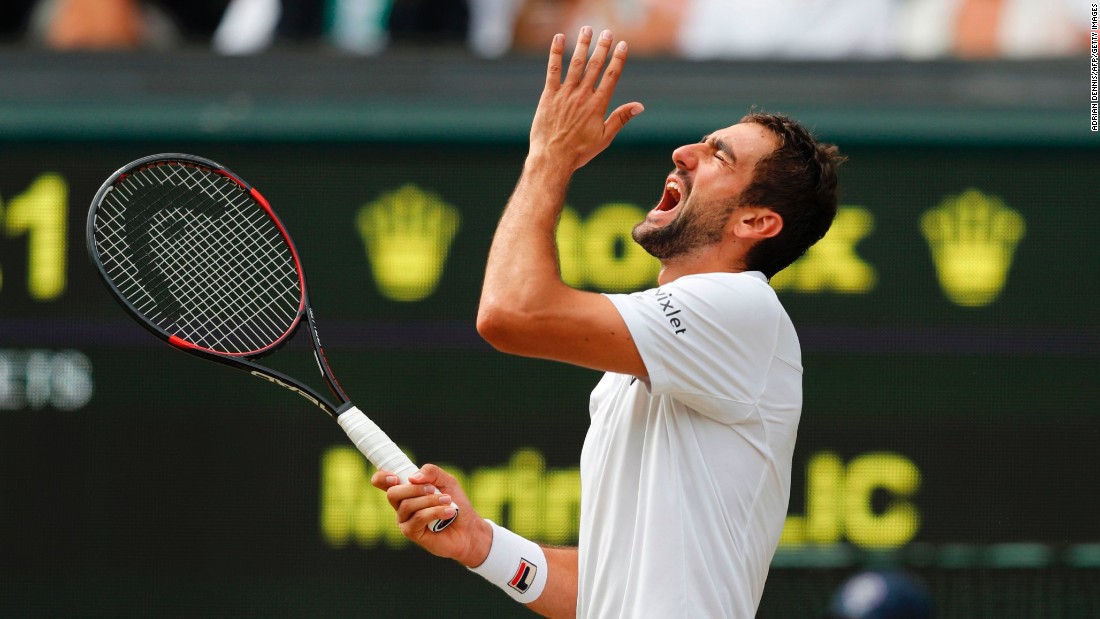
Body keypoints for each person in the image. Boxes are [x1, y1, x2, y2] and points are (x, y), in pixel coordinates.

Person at [371, 26, 844, 618]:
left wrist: (550, 153)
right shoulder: (636, 372)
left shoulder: (742, 309)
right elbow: (601, 592)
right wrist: (481, 544)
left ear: (756, 223)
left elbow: (510, 313)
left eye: (719, 155)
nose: (684, 153)